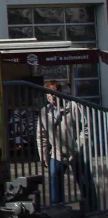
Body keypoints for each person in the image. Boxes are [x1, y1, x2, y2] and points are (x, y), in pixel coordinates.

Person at [36, 80, 95, 208]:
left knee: (85, 182)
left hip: (76, 151)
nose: (51, 97)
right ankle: (58, 209)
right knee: (54, 180)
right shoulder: (44, 112)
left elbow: (85, 128)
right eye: (48, 95)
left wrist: (78, 148)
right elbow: (41, 137)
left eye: (53, 93)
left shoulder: (73, 106)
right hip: (57, 153)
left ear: (60, 93)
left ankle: (92, 209)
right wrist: (43, 156)